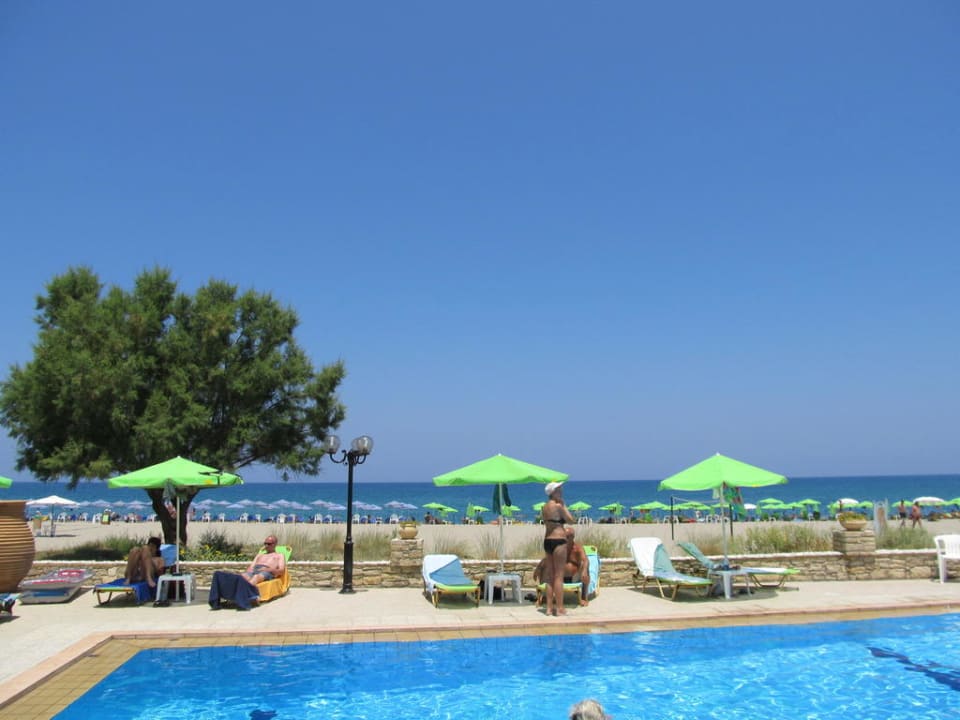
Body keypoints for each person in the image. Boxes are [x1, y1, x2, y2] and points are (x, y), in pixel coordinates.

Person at [541, 480, 574, 616]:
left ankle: (549, 608)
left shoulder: (543, 507)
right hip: (559, 540)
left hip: (547, 540)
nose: (561, 492)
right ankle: (560, 608)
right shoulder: (559, 506)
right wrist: (564, 505)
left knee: (549, 576)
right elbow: (571, 520)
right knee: (559, 576)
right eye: (558, 490)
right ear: (553, 492)